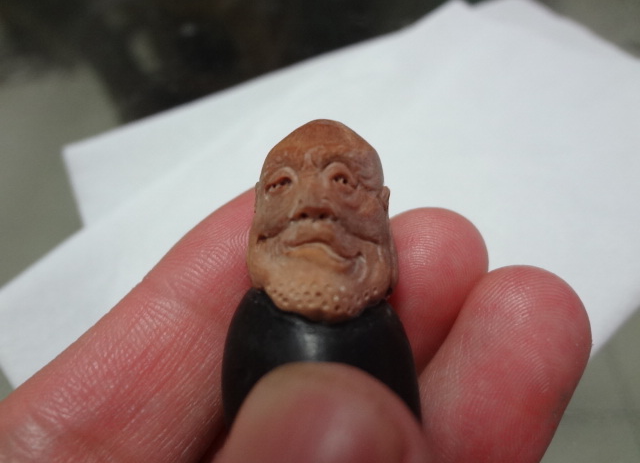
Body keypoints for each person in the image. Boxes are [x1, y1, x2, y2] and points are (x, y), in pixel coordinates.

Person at [0, 191, 591, 462]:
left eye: (344, 183)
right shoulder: (253, 323)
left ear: (382, 212)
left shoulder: (382, 327)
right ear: (258, 223)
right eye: (282, 186)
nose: (313, 206)